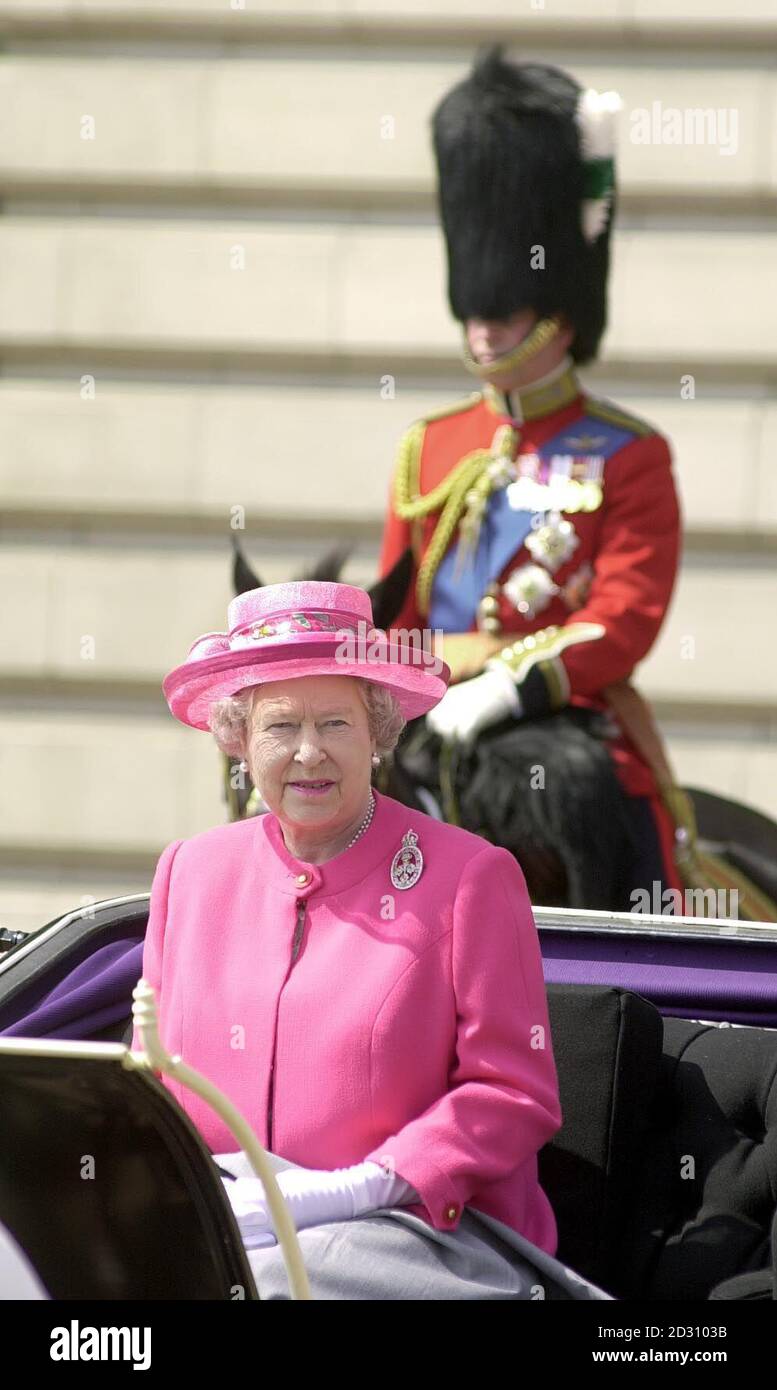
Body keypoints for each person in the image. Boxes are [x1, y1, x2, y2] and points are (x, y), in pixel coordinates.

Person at [133, 578, 612, 1299]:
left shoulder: (470, 877)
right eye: (279, 726)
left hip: (420, 1233)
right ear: (238, 739)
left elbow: (514, 1091)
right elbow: (150, 1073)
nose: (307, 753)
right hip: (217, 1219)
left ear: (378, 732)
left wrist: (364, 1186)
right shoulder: (191, 872)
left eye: (335, 724)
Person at [379, 47, 685, 904]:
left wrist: (511, 686)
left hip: (558, 718)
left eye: (504, 311)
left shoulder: (628, 453)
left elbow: (621, 620)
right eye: (476, 310)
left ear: (559, 309)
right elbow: (399, 608)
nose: (483, 333)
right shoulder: (427, 446)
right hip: (428, 714)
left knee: (583, 810)